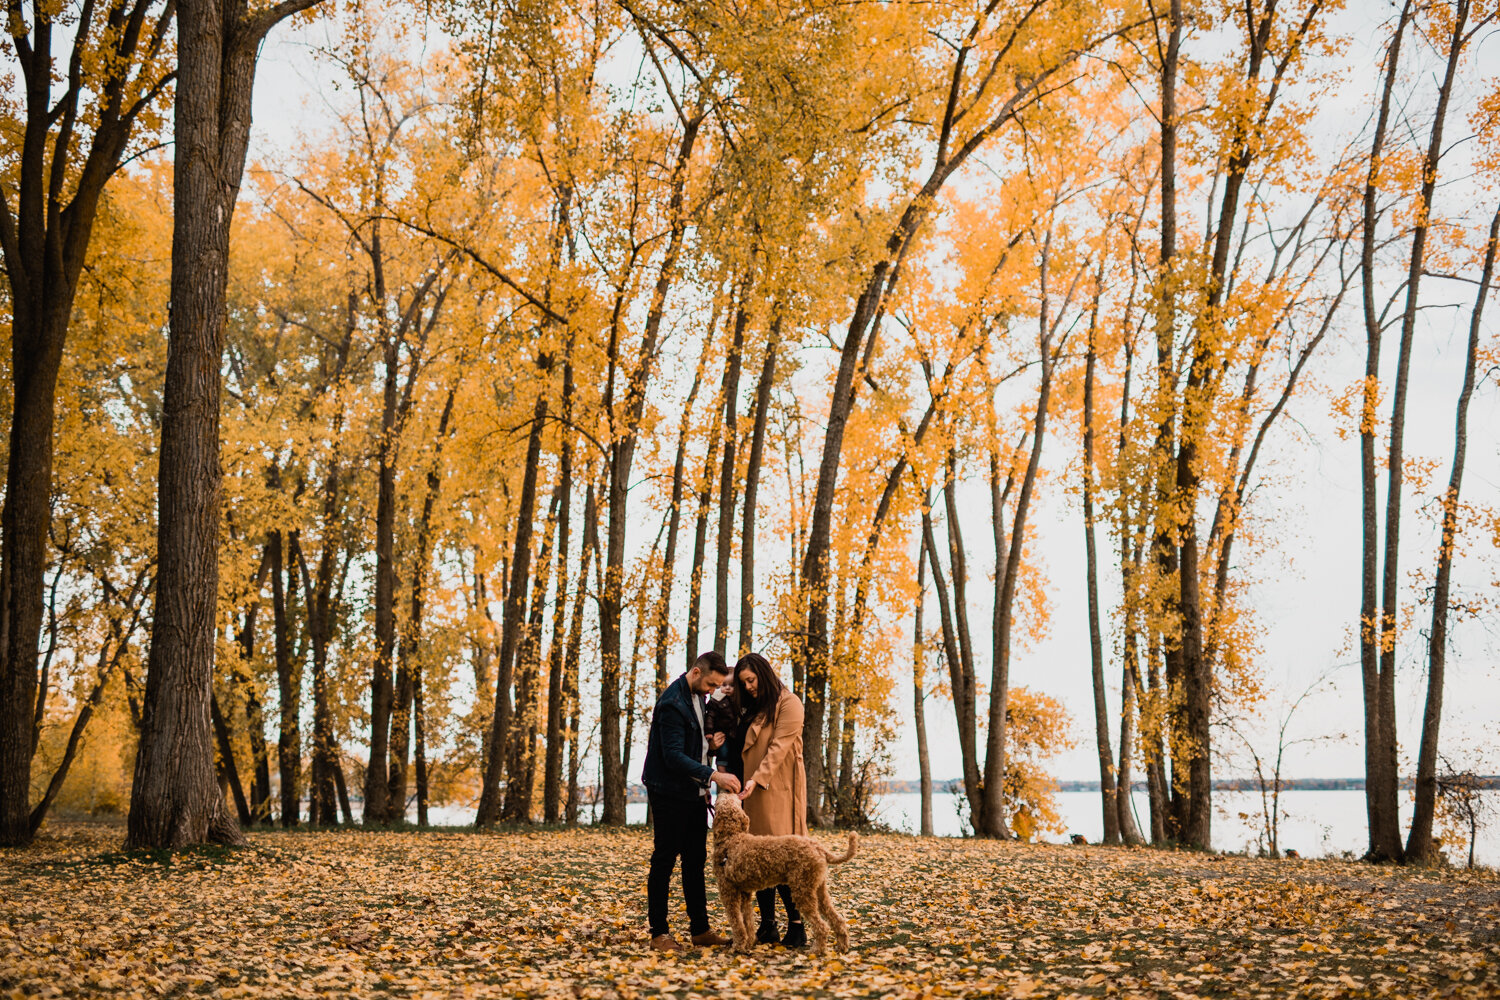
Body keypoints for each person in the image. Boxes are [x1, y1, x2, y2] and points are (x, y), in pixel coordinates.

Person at [641, 651, 741, 952]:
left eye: (716, 686)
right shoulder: (672, 703)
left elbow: (691, 746)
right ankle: (659, 932)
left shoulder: (699, 697)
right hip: (669, 792)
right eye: (711, 684)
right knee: (664, 860)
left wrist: (710, 747)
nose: (713, 691)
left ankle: (700, 930)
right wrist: (714, 775)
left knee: (695, 861)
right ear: (696, 672)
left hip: (695, 793)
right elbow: (672, 756)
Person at [733, 651, 809, 948]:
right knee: (759, 858)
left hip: (778, 790)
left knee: (785, 859)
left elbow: (778, 748)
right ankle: (768, 925)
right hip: (752, 791)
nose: (748, 686)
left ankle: (797, 926)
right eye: (744, 682)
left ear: (763, 674)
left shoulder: (789, 703)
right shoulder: (756, 706)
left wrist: (757, 779)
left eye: (751, 680)